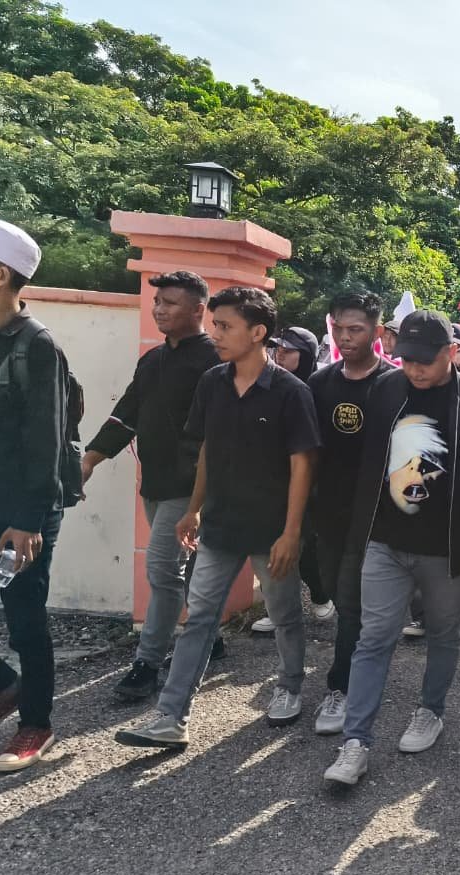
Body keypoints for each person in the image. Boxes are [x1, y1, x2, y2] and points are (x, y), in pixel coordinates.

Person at [116, 286, 321, 750]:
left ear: (258, 332)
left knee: (284, 613)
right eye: (215, 324)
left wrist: (291, 533)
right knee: (200, 618)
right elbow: (206, 448)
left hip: (273, 530)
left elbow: (302, 466)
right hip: (220, 526)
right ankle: (171, 716)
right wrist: (194, 509)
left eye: (225, 326)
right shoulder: (212, 382)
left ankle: (289, 685)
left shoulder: (291, 393)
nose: (216, 334)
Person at [322, 309, 460, 786]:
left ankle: (431, 710)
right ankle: (356, 741)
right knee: (373, 637)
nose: (414, 370)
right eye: (407, 360)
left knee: (444, 635)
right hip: (385, 541)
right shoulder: (385, 390)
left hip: (448, 549)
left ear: (451, 353)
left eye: (425, 361)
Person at [82, 271, 223, 701]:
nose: (159, 308)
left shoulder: (215, 362)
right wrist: (91, 458)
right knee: (189, 570)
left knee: (163, 571)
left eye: (170, 302)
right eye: (157, 301)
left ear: (199, 308)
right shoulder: (152, 361)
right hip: (156, 485)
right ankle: (209, 636)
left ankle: (147, 662)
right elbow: (127, 413)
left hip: (193, 488)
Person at [0, 218, 66, 772]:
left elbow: (45, 441)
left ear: (0, 274)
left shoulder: (37, 346)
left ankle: (35, 723)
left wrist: (28, 519)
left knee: (24, 618)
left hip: (24, 512)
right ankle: (2, 686)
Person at [306, 292, 393, 735]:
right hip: (328, 514)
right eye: (338, 328)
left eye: (355, 329)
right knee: (337, 595)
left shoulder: (395, 385)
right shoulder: (319, 385)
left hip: (378, 518)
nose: (345, 337)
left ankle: (341, 687)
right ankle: (361, 661)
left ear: (377, 332)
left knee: (353, 602)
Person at [249, 324, 335, 633]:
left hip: (311, 481)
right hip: (272, 479)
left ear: (308, 355)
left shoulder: (320, 388)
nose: (280, 354)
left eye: (289, 350)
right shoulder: (267, 384)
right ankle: (278, 609)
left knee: (305, 545)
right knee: (272, 544)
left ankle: (320, 592)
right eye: (278, 349)